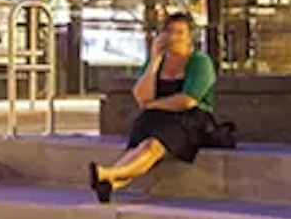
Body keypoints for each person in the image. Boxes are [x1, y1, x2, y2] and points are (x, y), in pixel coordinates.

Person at [92, 12, 217, 204]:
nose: (173, 37)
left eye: (180, 33)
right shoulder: (157, 62)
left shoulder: (200, 62)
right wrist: (154, 62)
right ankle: (110, 183)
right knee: (140, 148)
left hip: (190, 120)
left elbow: (188, 100)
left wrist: (153, 105)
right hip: (157, 118)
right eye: (169, 32)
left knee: (152, 147)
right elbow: (141, 96)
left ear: (190, 36)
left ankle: (108, 173)